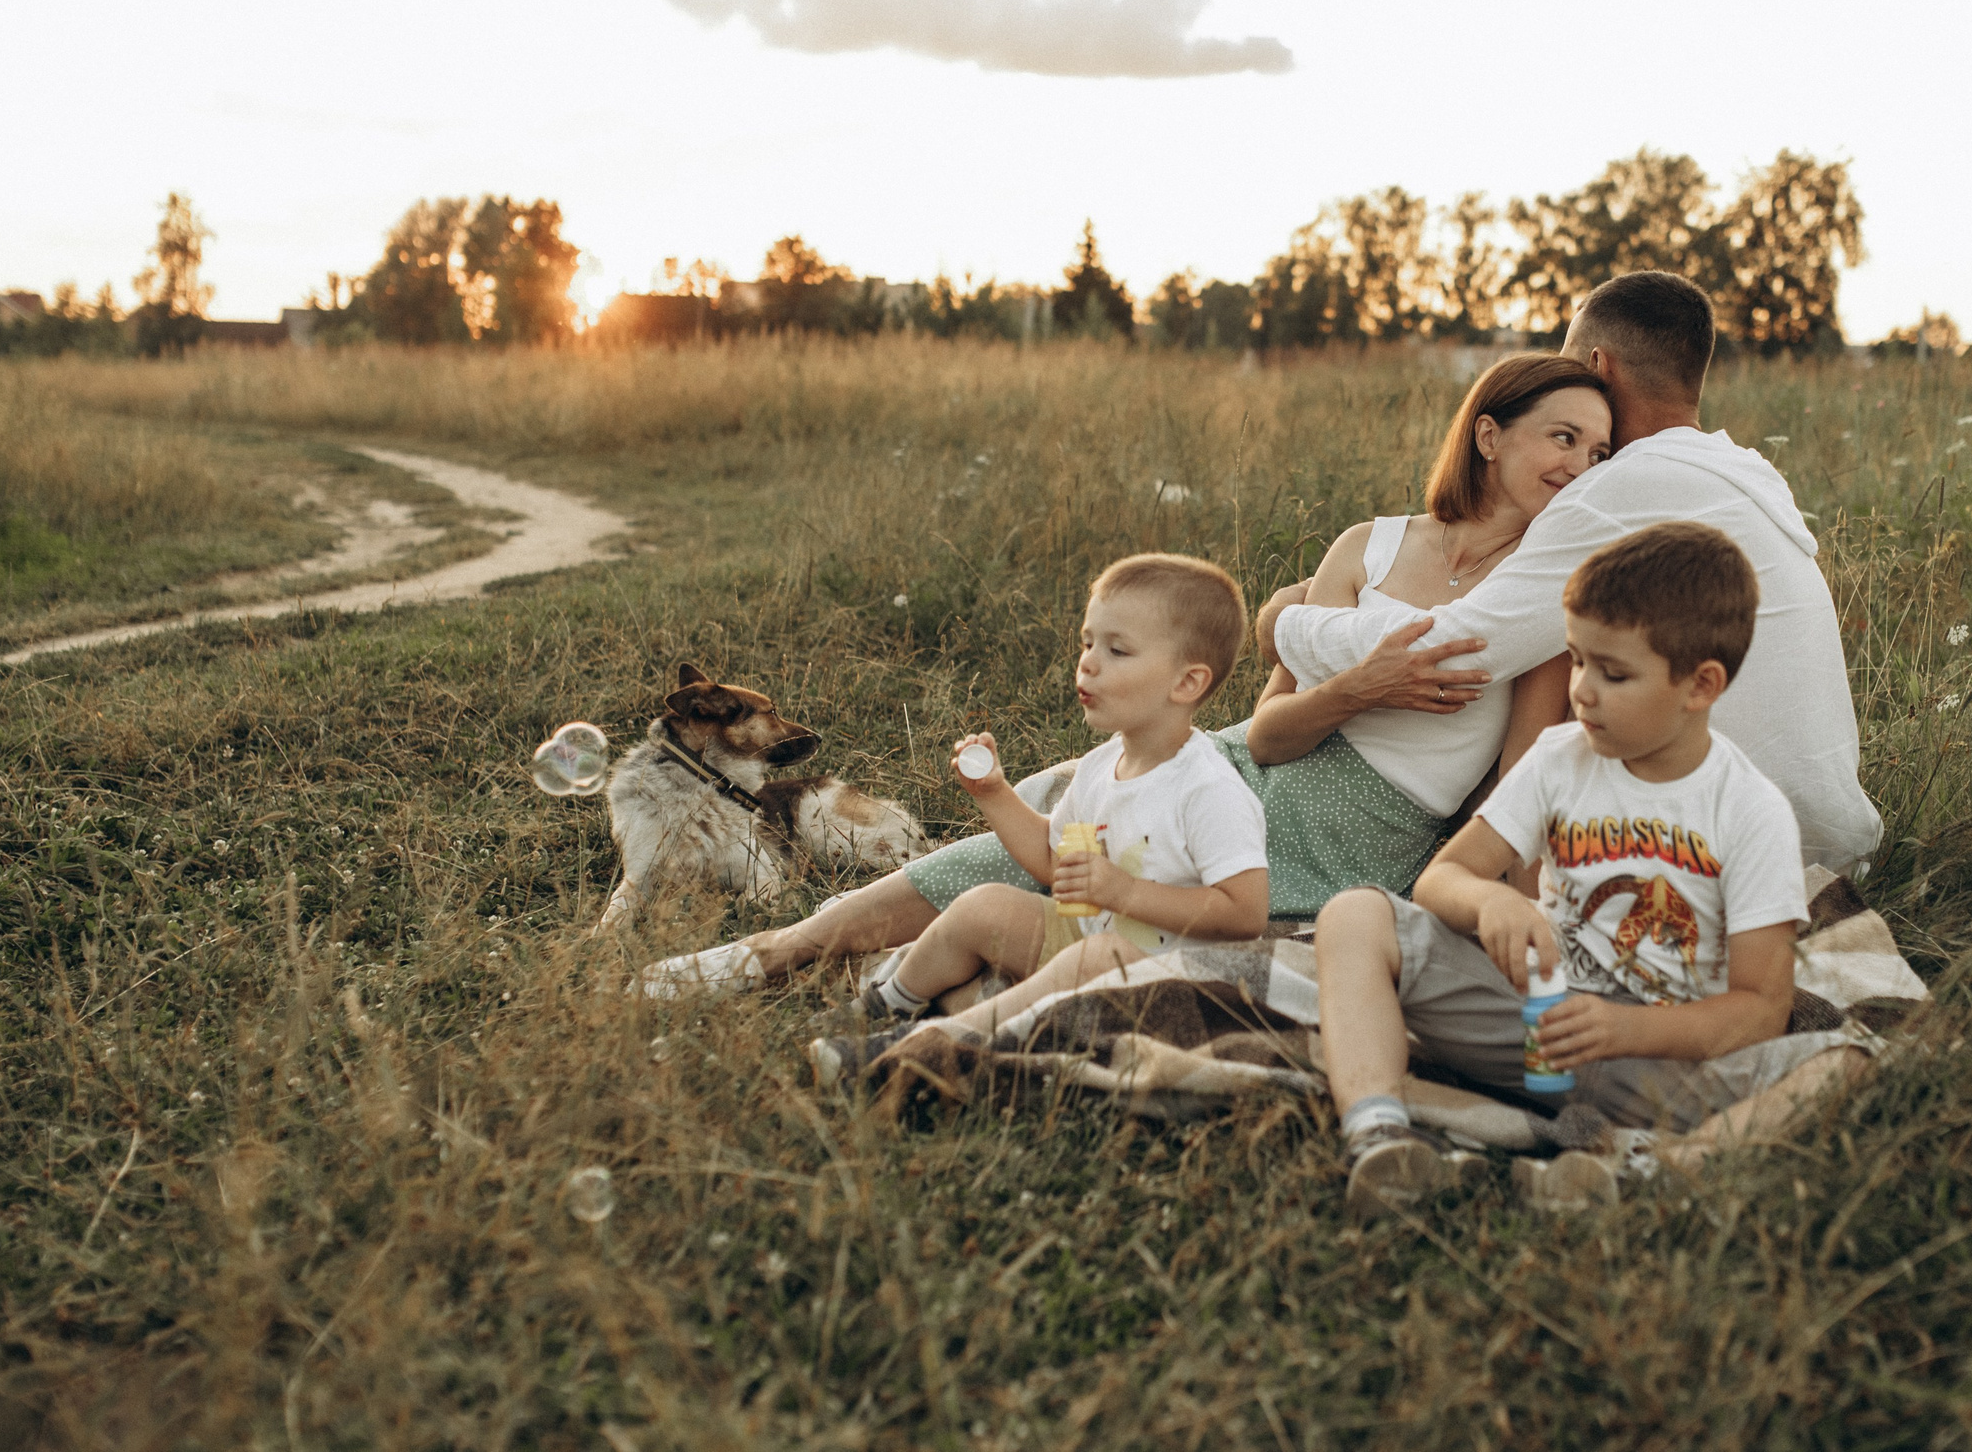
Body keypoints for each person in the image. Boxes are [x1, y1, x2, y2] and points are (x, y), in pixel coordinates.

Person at [634, 356, 1615, 1000]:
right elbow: (1270, 729)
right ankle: (774, 951)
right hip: (1251, 762)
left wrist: (1510, 920)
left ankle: (892, 967)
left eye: (1599, 450)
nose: (1580, 463)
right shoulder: (1372, 542)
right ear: (1490, 433)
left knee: (1107, 871)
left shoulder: (1539, 610)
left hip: (1362, 825)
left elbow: (1512, 786)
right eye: (1561, 436)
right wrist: (1363, 684)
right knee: (1058, 804)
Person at [1317, 523, 1871, 1216]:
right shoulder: (1559, 759)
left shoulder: (1751, 809)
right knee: (1354, 913)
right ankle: (1379, 1138)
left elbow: (1760, 1008)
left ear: (1700, 684)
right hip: (1531, 1026)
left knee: (1847, 1061)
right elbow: (1443, 878)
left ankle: (1658, 1172)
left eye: (1613, 673)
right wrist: (1491, 904)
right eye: (1576, 660)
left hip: (1660, 1062)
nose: (1581, 690)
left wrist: (1623, 1030)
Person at [1264, 270, 1882, 876]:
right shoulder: (1745, 473)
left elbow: (1453, 657)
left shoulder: (1613, 489)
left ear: (1599, 366)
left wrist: (1285, 624)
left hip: (1715, 845)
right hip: (1828, 841)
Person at [820, 553, 1271, 1058]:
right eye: (1087, 642)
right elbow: (1053, 861)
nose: (1089, 661)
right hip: (1089, 941)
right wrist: (994, 792)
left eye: (1118, 650)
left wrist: (1126, 891)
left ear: (1187, 682)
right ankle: (888, 1003)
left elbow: (1246, 912)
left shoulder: (1208, 789)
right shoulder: (1102, 765)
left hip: (1172, 975)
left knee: (1099, 955)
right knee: (982, 905)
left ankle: (928, 1045)